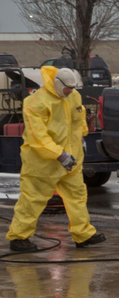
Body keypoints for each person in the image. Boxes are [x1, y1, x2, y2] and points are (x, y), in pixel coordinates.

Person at [6, 67, 106, 252]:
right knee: (33, 199)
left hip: (71, 160)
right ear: (57, 84)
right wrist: (59, 154)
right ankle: (19, 238)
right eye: (67, 88)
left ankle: (83, 234)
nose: (70, 91)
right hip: (42, 163)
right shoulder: (36, 102)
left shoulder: (73, 96)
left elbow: (78, 118)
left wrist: (82, 136)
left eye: (72, 88)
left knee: (77, 197)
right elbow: (38, 137)